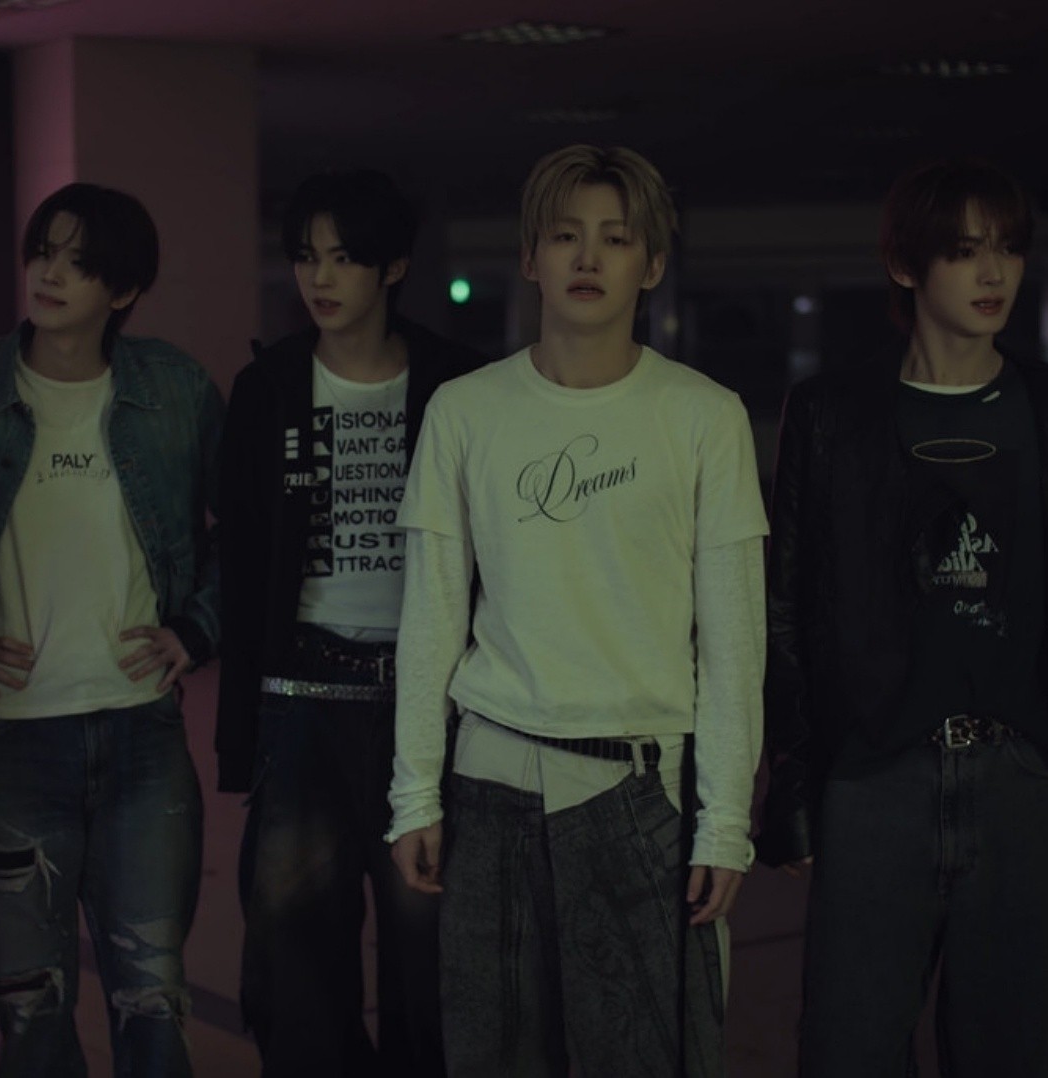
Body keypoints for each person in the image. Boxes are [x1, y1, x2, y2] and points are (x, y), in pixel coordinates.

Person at [386, 144, 766, 1077]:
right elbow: (430, 618)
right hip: (490, 779)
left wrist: (725, 822)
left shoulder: (703, 415)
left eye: (616, 238)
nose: (588, 258)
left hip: (639, 787)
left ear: (653, 263)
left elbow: (733, 643)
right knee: (492, 1058)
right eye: (565, 237)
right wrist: (415, 794)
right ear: (531, 257)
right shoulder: (465, 411)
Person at [761, 158, 1048, 1076]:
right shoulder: (832, 414)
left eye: (1008, 249)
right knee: (850, 1051)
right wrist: (794, 789)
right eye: (964, 252)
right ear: (904, 264)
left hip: (1018, 777)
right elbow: (788, 608)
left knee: (1015, 1055)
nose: (994, 273)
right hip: (876, 777)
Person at [0, 182, 221, 1076]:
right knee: (31, 1016)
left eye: (79, 263)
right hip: (11, 745)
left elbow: (246, 532)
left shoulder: (174, 389)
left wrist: (195, 630)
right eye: (44, 251)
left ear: (122, 290)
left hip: (142, 739)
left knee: (152, 1005)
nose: (49, 274)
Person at [219, 169, 480, 1076]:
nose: (319, 279)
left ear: (393, 266)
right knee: (296, 960)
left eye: (342, 258)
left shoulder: (455, 386)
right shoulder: (270, 388)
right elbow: (241, 554)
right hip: (303, 698)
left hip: (426, 701)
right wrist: (241, 729)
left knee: (431, 954)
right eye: (305, 257)